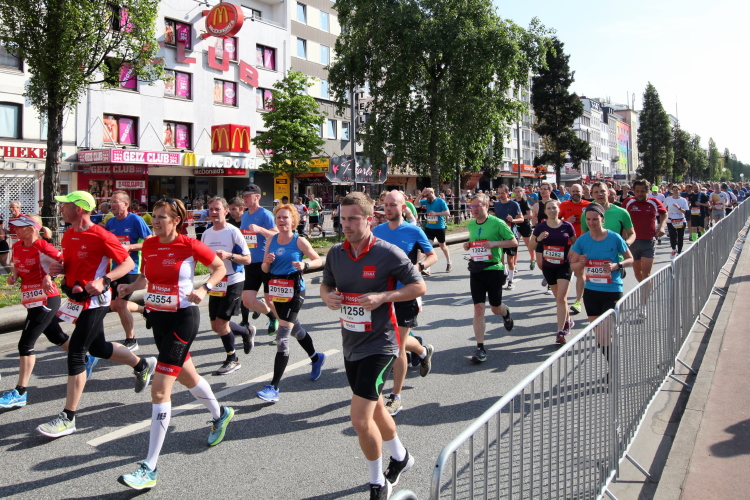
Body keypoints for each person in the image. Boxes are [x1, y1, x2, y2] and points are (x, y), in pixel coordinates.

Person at [116, 198, 234, 490]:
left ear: (176, 220)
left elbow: (220, 268)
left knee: (159, 389)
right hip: (159, 319)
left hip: (183, 319)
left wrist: (205, 289)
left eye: (161, 217)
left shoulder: (189, 245)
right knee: (187, 376)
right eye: (154, 216)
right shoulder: (149, 245)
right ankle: (221, 414)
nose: (155, 222)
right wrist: (131, 286)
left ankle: (149, 467)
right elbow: (145, 277)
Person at [320, 192, 425, 499]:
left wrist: (383, 297)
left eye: (353, 218)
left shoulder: (387, 253)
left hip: (382, 345)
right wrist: (327, 297)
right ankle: (401, 456)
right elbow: (326, 285)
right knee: (377, 408)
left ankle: (378, 482)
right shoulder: (336, 253)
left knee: (360, 419)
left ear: (369, 219)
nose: (346, 224)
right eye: (342, 219)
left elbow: (419, 286)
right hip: (351, 342)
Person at [37, 191, 156, 438]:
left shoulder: (101, 235)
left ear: (79, 209)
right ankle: (141, 364)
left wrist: (105, 280)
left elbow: (128, 263)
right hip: (75, 299)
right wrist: (58, 269)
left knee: (77, 352)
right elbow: (70, 263)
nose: (61, 209)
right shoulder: (69, 234)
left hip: (96, 301)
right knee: (99, 348)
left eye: (66, 205)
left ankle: (68, 418)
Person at [0, 215, 98, 409]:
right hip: (31, 300)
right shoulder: (17, 246)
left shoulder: (42, 246)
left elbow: (65, 262)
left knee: (25, 344)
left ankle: (20, 392)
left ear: (31, 229)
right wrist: (15, 276)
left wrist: (49, 276)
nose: (15, 230)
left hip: (46, 299)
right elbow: (18, 267)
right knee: (56, 336)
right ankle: (86, 357)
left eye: (19, 227)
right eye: (14, 227)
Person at [373, 190, 437, 416]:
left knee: (396, 345)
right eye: (386, 204)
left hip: (407, 293)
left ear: (403, 207)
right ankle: (423, 350)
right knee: (392, 339)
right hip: (383, 294)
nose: (388, 208)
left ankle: (396, 397)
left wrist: (418, 267)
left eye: (393, 205)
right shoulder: (377, 231)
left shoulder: (413, 230)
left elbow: (432, 256)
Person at [255, 204, 325, 403]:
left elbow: (318, 260)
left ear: (293, 220)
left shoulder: (299, 240)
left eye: (285, 217)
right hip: (277, 290)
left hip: (295, 290)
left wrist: (305, 265)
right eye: (279, 217)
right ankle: (316, 357)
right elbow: (265, 269)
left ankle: (274, 387)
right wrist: (267, 262)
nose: (281, 221)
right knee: (295, 329)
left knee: (282, 334)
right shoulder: (271, 239)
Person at [200, 198, 254, 375]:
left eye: (217, 209)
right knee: (215, 326)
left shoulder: (233, 232)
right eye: (211, 209)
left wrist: (229, 255)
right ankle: (245, 332)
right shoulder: (206, 234)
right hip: (216, 282)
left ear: (225, 211)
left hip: (233, 280)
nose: (213, 212)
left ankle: (233, 359)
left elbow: (247, 259)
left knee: (222, 323)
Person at [462, 193, 516, 364]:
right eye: (472, 206)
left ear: (486, 206)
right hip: (476, 270)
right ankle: (480, 348)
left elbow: (513, 242)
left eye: (478, 205)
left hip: (494, 269)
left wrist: (495, 243)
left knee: (495, 308)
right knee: (478, 309)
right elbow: (475, 243)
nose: (474, 209)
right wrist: (468, 245)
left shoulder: (498, 223)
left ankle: (505, 312)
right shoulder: (471, 224)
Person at [569, 203, 634, 323]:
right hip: (591, 291)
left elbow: (630, 259)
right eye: (588, 219)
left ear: (602, 219)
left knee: (605, 329)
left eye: (595, 219)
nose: (591, 223)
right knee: (597, 329)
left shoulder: (615, 237)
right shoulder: (582, 240)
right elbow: (572, 266)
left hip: (612, 289)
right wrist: (580, 264)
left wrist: (616, 266)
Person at [105, 190, 152, 351]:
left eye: (115, 201)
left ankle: (131, 340)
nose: (112, 204)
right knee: (114, 305)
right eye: (111, 201)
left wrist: (130, 247)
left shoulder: (136, 220)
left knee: (120, 304)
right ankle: (144, 310)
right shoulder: (110, 222)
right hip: (115, 269)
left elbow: (150, 242)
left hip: (132, 269)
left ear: (126, 204)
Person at [529, 201, 577, 344]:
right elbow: (531, 246)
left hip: (564, 265)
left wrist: (573, 249)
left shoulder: (567, 226)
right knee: (559, 299)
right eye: (549, 208)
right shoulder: (540, 227)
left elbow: (575, 243)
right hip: (549, 266)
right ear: (545, 211)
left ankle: (560, 332)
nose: (552, 210)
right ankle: (568, 319)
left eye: (554, 208)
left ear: (558, 209)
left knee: (561, 298)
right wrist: (538, 239)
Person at [239, 184, 280, 336]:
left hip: (266, 263)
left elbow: (277, 235)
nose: (244, 199)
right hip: (250, 263)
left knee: (271, 300)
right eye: (243, 196)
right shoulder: (244, 215)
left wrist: (260, 230)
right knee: (247, 301)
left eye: (247, 196)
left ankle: (283, 330)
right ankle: (272, 316)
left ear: (257, 197)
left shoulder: (265, 214)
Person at [623, 179, 666, 283]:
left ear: (647, 191)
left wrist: (662, 227)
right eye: (637, 191)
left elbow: (664, 213)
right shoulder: (628, 202)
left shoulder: (654, 202)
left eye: (642, 191)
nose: (639, 194)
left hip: (648, 241)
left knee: (646, 273)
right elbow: (621, 217)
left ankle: (646, 293)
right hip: (632, 241)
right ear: (633, 191)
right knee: (637, 272)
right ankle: (643, 290)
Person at [558, 184, 591, 316]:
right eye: (573, 191)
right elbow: (555, 221)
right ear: (570, 192)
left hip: (583, 243)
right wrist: (566, 220)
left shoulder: (588, 205)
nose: (576, 193)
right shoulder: (564, 205)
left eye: (578, 191)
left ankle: (578, 301)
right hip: (566, 243)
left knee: (579, 272)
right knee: (565, 271)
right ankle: (562, 298)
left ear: (582, 192)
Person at [492, 185, 523, 290]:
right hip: (500, 236)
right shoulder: (497, 205)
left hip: (511, 236)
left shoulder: (514, 204)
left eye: (503, 193)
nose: (500, 195)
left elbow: (521, 219)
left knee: (510, 260)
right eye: (499, 193)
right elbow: (496, 218)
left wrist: (513, 220)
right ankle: (504, 274)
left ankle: (511, 281)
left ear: (507, 193)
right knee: (500, 259)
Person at [419, 187, 452, 272]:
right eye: (426, 194)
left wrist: (436, 213)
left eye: (429, 193)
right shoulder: (426, 201)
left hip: (439, 227)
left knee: (442, 246)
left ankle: (448, 262)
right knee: (428, 246)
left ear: (433, 192)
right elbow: (416, 203)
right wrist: (421, 194)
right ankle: (427, 267)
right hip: (429, 227)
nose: (428, 195)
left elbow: (448, 213)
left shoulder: (440, 201)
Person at [513, 186, 536, 270]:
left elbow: (530, 215)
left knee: (529, 245)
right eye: (516, 192)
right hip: (516, 226)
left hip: (525, 225)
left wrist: (520, 217)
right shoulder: (513, 202)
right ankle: (514, 265)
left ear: (522, 193)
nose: (517, 193)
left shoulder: (525, 202)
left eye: (519, 191)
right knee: (515, 245)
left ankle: (532, 259)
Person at [664, 185, 689, 258]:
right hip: (671, 220)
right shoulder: (668, 199)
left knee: (680, 236)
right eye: (674, 190)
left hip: (680, 219)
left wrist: (679, 207)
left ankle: (679, 251)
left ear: (679, 191)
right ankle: (674, 249)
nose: (675, 191)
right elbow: (663, 207)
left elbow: (686, 211)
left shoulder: (683, 200)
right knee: (672, 235)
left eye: (677, 190)